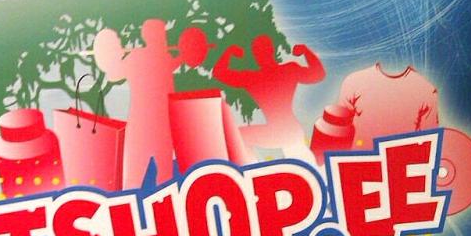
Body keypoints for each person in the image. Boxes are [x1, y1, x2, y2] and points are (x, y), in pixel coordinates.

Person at [93, 19, 209, 188]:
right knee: (136, 174)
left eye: (163, 34)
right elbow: (114, 74)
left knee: (163, 177)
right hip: (142, 127)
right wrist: (109, 49)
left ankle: (160, 199)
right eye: (160, 34)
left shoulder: (158, 57)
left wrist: (189, 50)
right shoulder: (142, 57)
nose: (163, 38)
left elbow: (114, 73)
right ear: (149, 35)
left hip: (161, 128)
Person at [213, 35, 325, 160]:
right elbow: (318, 73)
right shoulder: (287, 70)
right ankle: (251, 165)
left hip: (281, 131)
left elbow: (219, 73)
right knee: (240, 135)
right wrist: (305, 51)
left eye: (259, 52)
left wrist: (229, 52)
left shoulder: (254, 78)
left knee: (239, 135)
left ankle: (251, 164)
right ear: (273, 51)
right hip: (289, 130)